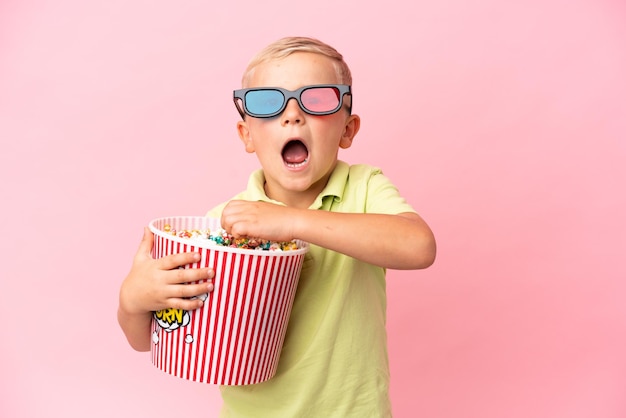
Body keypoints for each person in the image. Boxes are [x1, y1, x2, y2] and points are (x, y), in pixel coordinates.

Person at [118, 36, 436, 417]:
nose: (292, 115)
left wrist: (292, 221)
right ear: (247, 135)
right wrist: (133, 301)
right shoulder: (225, 223)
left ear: (347, 130)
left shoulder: (364, 189)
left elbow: (419, 246)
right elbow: (157, 341)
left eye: (316, 100)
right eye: (269, 103)